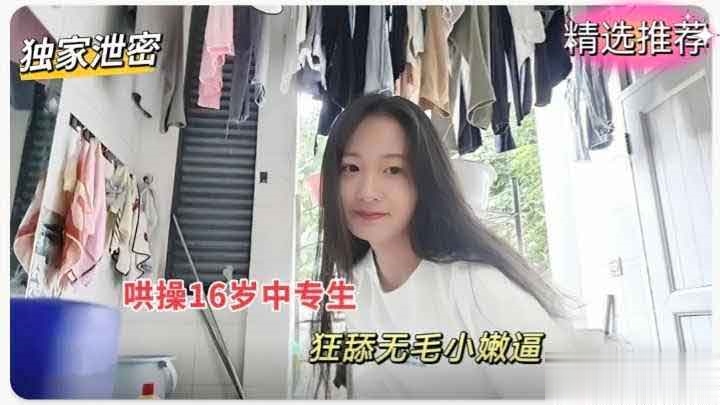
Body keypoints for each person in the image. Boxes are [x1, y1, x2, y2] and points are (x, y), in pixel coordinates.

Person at [310, 94, 580, 399]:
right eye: (351, 168)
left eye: (393, 170)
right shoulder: (358, 284)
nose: (367, 192)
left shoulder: (474, 286)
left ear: (425, 180)